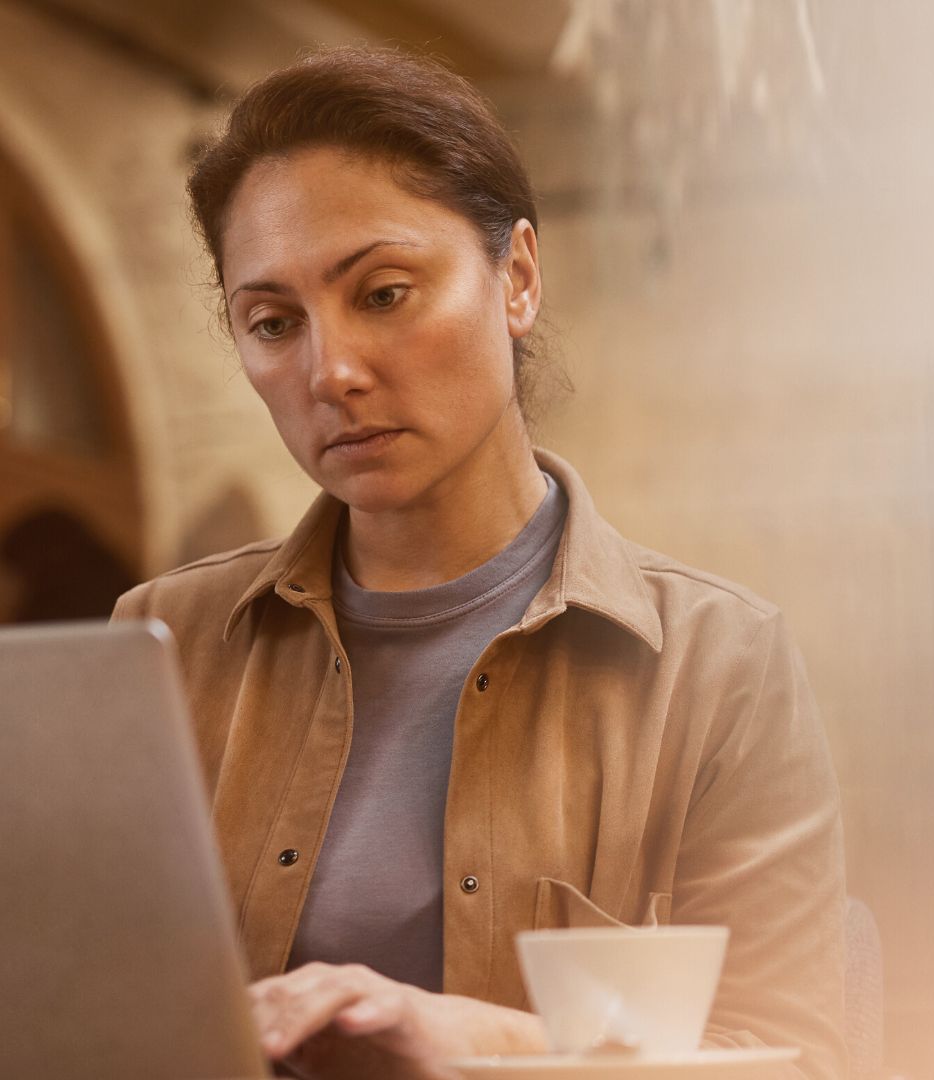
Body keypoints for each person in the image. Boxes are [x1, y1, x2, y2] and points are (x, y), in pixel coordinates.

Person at [112, 46, 847, 1080]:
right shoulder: (163, 644)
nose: (333, 372)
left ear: (519, 279)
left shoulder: (716, 662)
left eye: (384, 293)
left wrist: (484, 1041)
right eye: (273, 323)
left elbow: (800, 1060)